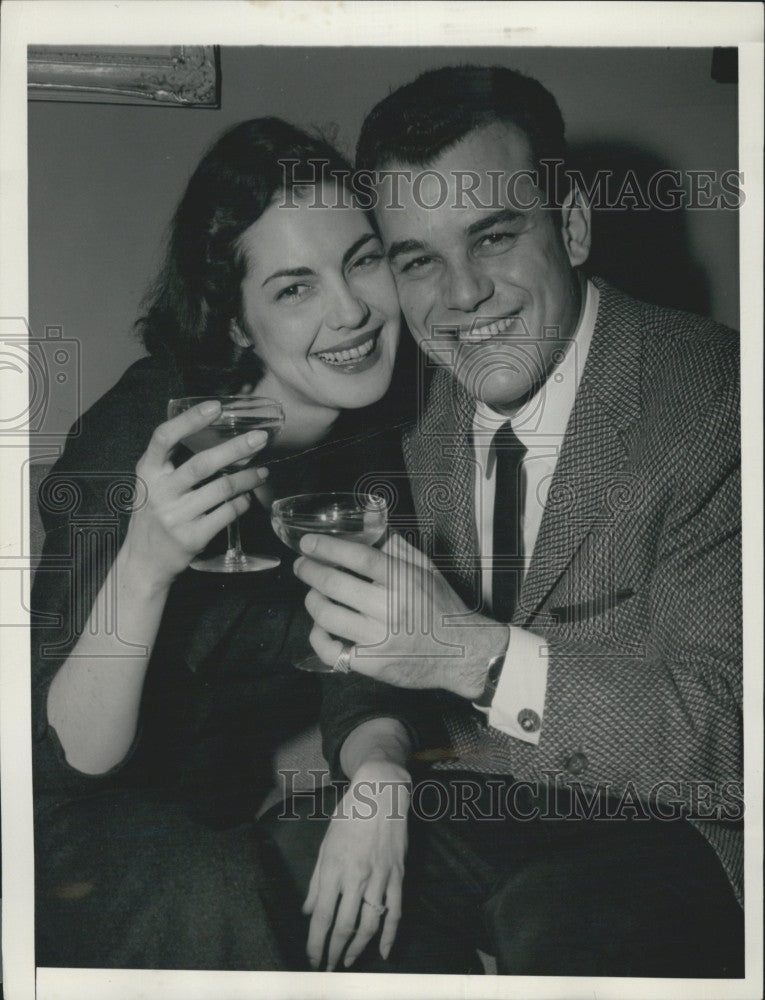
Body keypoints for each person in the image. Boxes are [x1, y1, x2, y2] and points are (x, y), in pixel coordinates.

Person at [289, 66, 744, 976]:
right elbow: (365, 662)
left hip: (674, 823)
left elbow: (731, 743)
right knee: (277, 879)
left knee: (561, 922)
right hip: (467, 795)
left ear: (570, 225)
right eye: (418, 258)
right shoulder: (400, 410)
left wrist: (472, 655)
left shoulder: (718, 405)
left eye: (492, 237)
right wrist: (376, 769)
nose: (460, 296)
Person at [31, 116, 414, 969]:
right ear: (236, 324)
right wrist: (143, 568)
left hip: (251, 796)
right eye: (293, 287)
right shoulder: (140, 442)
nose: (351, 310)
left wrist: (383, 775)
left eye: (361, 259)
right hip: (100, 822)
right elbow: (73, 760)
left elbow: (366, 662)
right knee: (219, 890)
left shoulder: (375, 423)